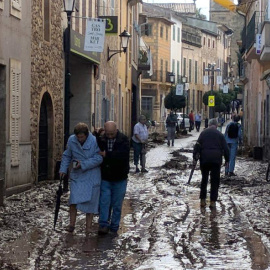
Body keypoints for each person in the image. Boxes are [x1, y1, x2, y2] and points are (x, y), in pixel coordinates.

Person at [59, 123, 103, 234]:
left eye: (82, 137)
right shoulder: (71, 140)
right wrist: (63, 169)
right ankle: (71, 224)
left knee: (91, 202)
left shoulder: (94, 141)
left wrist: (83, 164)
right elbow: (67, 155)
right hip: (77, 175)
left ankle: (88, 227)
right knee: (73, 199)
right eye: (78, 137)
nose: (80, 139)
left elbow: (99, 158)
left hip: (91, 174)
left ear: (87, 135)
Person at [97, 121, 130, 235]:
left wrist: (107, 155)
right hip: (106, 176)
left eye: (112, 133)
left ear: (116, 130)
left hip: (120, 177)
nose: (110, 136)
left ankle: (114, 227)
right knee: (104, 202)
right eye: (108, 133)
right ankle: (103, 225)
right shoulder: (102, 139)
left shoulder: (124, 140)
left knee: (117, 204)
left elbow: (123, 156)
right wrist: (97, 134)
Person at [193, 118, 229, 208]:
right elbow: (226, 148)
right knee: (215, 181)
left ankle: (202, 200)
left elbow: (197, 146)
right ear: (216, 126)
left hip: (204, 159)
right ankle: (213, 201)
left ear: (208, 125)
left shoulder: (203, 133)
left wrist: (195, 157)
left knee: (204, 179)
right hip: (216, 160)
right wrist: (227, 160)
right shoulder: (220, 135)